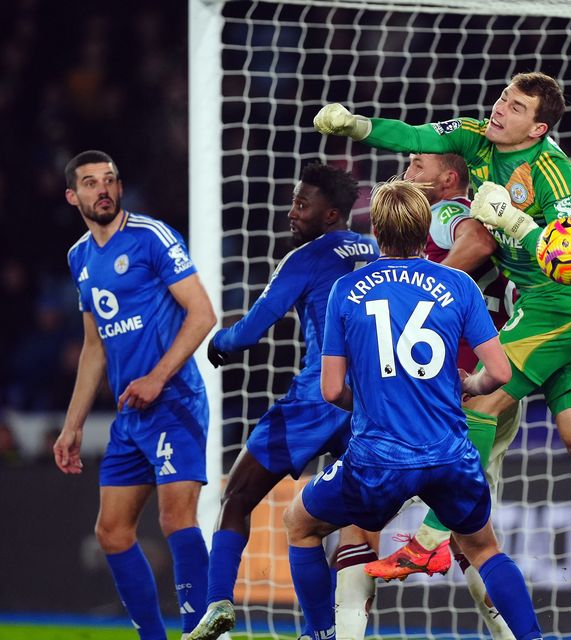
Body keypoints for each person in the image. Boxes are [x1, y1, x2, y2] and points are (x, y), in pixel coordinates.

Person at [313, 71, 571, 612]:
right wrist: (356, 126)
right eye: (502, 98)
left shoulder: (553, 170)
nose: (500, 109)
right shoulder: (475, 137)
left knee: (479, 398)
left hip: (559, 304)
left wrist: (518, 224)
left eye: (515, 107)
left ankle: (429, 541)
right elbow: (416, 138)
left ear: (537, 126)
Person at [282, 179, 543, 640]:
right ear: (426, 232)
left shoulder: (347, 289)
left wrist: (369, 400)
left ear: (377, 231)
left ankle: (322, 634)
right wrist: (468, 384)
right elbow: (499, 374)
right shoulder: (459, 283)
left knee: (301, 523)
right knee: (484, 548)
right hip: (449, 456)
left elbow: (331, 390)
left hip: (378, 460)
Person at [187, 163, 380, 640]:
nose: (291, 212)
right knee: (346, 526)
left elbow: (251, 331)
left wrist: (219, 343)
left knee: (238, 497)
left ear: (332, 213)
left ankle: (217, 604)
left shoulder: (306, 258)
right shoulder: (378, 250)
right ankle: (326, 632)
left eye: (302, 204)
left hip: (318, 397)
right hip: (371, 404)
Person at [54, 150, 217, 639]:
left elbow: (203, 314)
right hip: (130, 417)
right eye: (89, 183)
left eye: (109, 179)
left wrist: (158, 377)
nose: (101, 189)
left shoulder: (151, 237)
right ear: (72, 196)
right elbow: (93, 348)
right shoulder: (79, 257)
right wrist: (73, 423)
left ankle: (199, 633)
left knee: (175, 518)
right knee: (112, 531)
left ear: (119, 187)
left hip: (174, 401)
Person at [361, 152, 519, 639]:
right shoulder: (431, 228)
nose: (407, 174)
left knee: (347, 516)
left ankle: (418, 550)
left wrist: (423, 288)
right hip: (482, 387)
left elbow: (478, 236)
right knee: (476, 537)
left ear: (448, 179)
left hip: (463, 388)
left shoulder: (450, 212)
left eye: (417, 166)